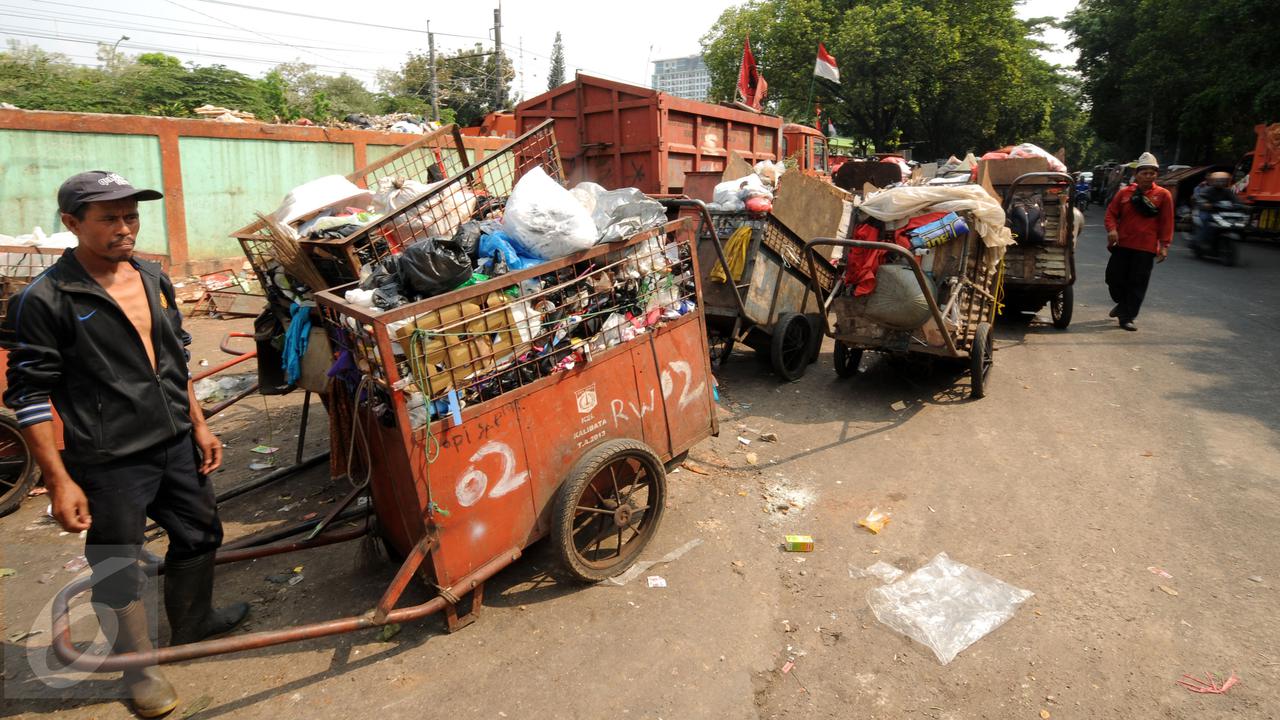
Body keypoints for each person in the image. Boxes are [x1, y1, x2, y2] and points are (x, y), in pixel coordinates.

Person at [1, 171, 247, 717]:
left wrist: (199, 423)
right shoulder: (46, 299)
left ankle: (193, 623)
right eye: (108, 218)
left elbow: (174, 359)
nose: (124, 228)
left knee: (200, 532)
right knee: (117, 562)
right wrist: (59, 480)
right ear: (71, 224)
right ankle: (137, 671)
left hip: (177, 440)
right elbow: (32, 396)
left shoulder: (152, 276)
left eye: (130, 216)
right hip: (109, 457)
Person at [1103, 152, 1174, 331]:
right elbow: (1111, 213)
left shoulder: (1163, 195)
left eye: (1152, 173)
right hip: (1123, 244)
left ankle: (1127, 316)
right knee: (1113, 277)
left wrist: (1164, 246)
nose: (1148, 176)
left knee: (1137, 283)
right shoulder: (1124, 193)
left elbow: (1167, 221)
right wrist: (1112, 230)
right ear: (1136, 174)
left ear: (1156, 175)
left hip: (1146, 247)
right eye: (1144, 173)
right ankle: (1122, 304)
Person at [1192, 171, 1240, 252]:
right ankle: (1202, 241)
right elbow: (1199, 198)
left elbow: (1235, 201)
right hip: (1207, 211)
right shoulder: (1208, 190)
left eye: (1223, 181)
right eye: (1219, 180)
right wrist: (1205, 203)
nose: (1221, 183)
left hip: (1221, 213)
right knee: (1206, 221)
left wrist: (1241, 206)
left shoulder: (1227, 191)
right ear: (1213, 181)